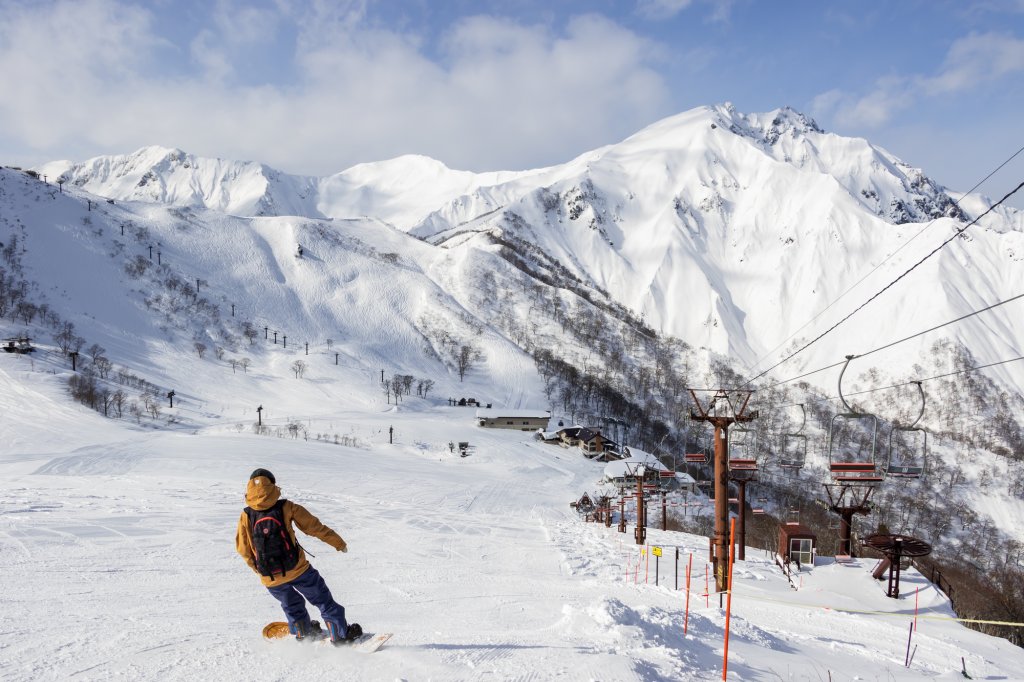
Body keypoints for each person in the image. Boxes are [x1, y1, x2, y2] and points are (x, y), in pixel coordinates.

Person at [235, 468, 362, 644]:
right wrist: (338, 543)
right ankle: (339, 635)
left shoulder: (245, 515)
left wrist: (260, 571)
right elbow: (314, 527)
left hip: (270, 578)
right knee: (322, 600)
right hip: (298, 569)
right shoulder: (287, 507)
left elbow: (243, 549)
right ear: (272, 485)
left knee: (291, 606)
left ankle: (304, 633)